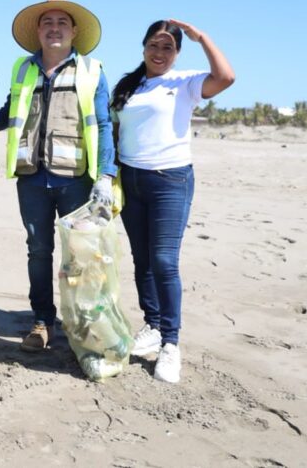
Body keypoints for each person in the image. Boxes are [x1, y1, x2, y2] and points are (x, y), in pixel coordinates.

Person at [110, 19, 234, 384]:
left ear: (177, 52)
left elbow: (226, 77)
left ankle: (170, 344)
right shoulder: (129, 85)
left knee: (164, 260)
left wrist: (202, 38)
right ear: (143, 46)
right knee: (142, 260)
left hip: (170, 181)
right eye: (154, 45)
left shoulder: (187, 82)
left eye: (168, 47)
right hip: (131, 180)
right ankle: (151, 324)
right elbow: (116, 130)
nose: (159, 53)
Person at [0, 0, 118, 352]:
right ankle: (42, 321)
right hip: (32, 178)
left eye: (62, 22)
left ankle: (81, 324)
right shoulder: (23, 69)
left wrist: (106, 176)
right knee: (38, 250)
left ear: (74, 31)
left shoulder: (92, 72)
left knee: (80, 255)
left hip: (76, 179)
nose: (54, 28)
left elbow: (105, 123)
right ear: (38, 30)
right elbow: (7, 113)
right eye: (47, 22)